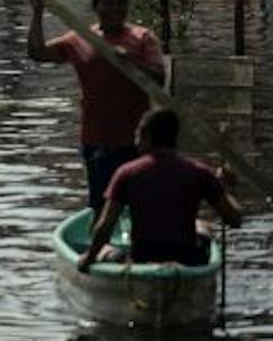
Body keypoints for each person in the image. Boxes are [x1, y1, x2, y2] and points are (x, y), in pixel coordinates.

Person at [29, 0, 169, 209]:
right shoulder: (80, 39)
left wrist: (131, 62)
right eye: (108, 3)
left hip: (138, 143)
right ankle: (102, 242)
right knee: (101, 205)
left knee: (142, 206)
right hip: (97, 142)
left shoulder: (143, 38)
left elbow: (159, 81)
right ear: (96, 7)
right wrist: (37, 13)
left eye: (119, 3)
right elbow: (38, 53)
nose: (115, 9)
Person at [78, 108, 243, 270]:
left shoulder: (127, 172)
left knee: (105, 249)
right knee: (201, 226)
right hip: (189, 260)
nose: (135, 141)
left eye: (137, 135)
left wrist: (88, 258)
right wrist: (226, 188)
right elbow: (234, 219)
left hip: (141, 260)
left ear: (147, 137)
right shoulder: (200, 172)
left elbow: (105, 227)